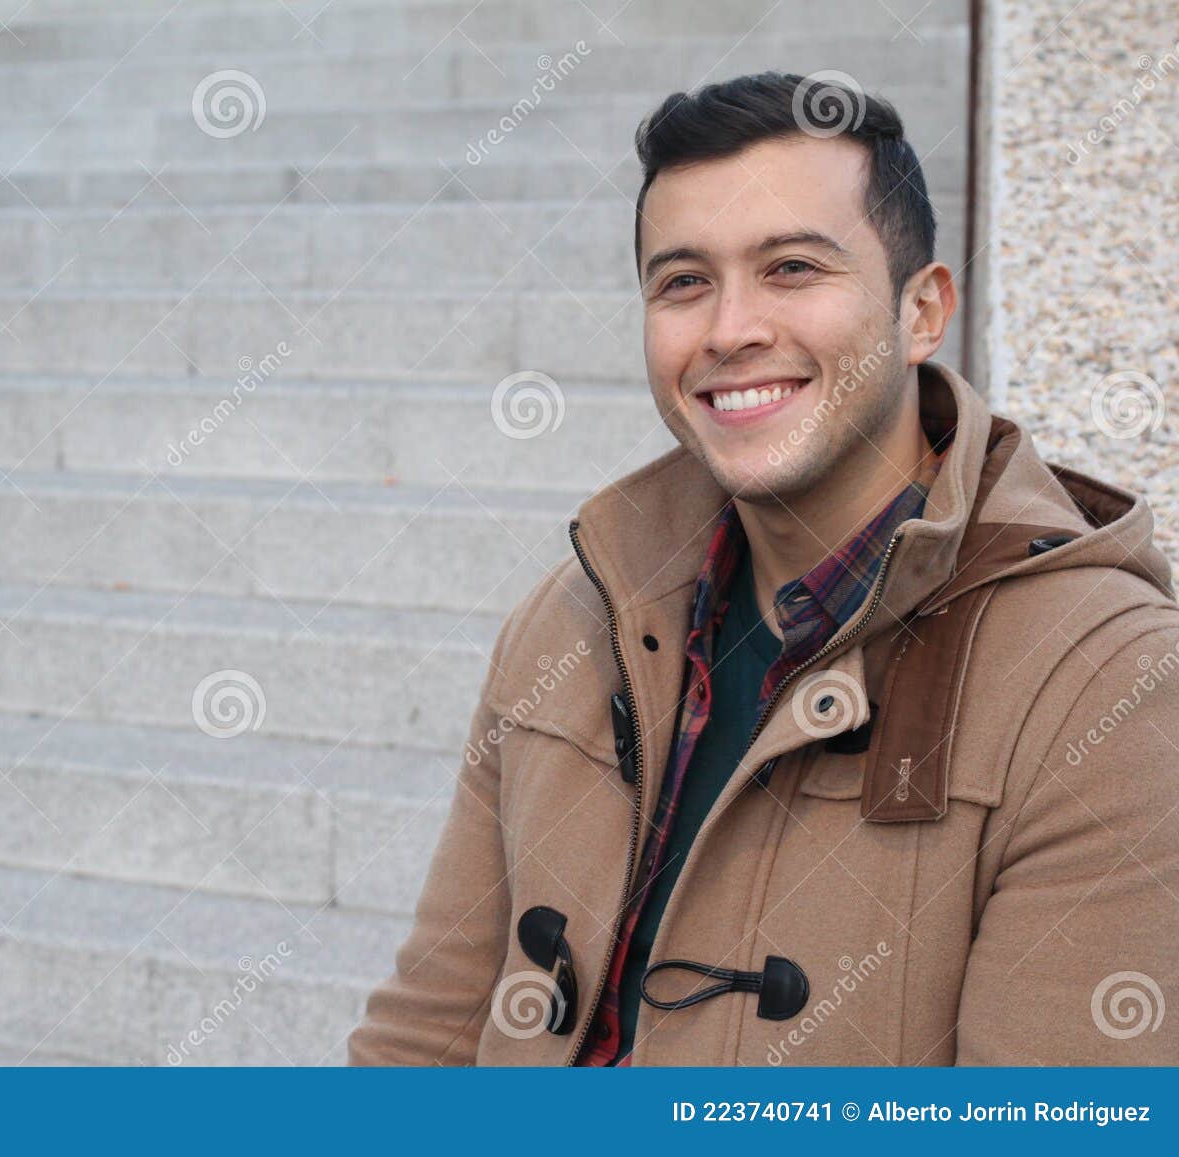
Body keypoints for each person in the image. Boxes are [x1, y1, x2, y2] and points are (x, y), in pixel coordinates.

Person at [347, 72, 1179, 1066]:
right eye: (683, 281)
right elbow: (427, 1028)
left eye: (790, 267)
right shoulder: (573, 617)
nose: (729, 329)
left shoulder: (1110, 686)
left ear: (923, 313)